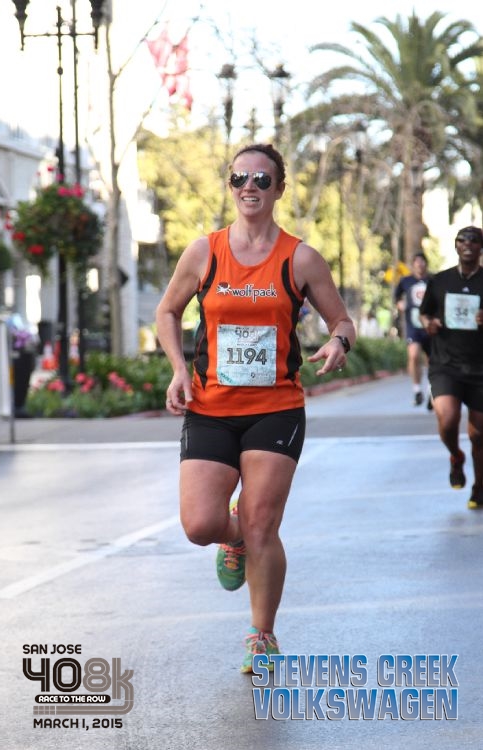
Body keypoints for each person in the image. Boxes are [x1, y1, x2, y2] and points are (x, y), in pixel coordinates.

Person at [155, 143, 356, 672]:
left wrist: (339, 342)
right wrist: (179, 367)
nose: (250, 186)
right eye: (240, 177)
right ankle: (234, 538)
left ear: (279, 189)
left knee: (263, 522)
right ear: (230, 184)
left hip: (276, 409)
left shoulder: (300, 257)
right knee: (201, 524)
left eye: (262, 180)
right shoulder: (204, 252)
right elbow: (168, 312)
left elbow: (342, 320)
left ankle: (261, 634)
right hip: (210, 405)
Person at [419, 225, 483, 509]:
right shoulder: (440, 280)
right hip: (446, 364)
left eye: (474, 241)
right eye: (462, 240)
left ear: (481, 248)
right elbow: (424, 314)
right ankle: (456, 456)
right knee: (447, 420)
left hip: (481, 368)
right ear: (456, 246)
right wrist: (429, 324)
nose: (467, 244)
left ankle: (479, 487)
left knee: (480, 434)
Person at [394, 252, 432, 407]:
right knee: (414, 355)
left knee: (431, 360)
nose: (419, 264)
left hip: (429, 325)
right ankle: (417, 390)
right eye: (416, 261)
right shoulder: (406, 281)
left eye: (422, 261)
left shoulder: (433, 280)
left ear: (425, 264)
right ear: (413, 264)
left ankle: (431, 391)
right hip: (413, 326)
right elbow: (396, 297)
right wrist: (400, 305)